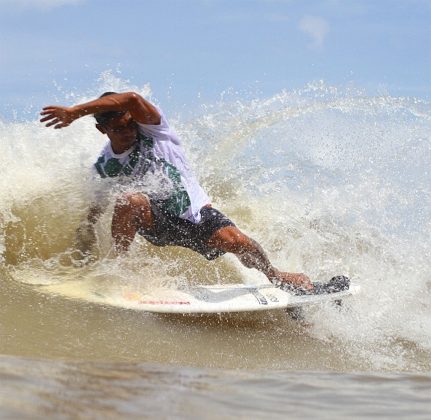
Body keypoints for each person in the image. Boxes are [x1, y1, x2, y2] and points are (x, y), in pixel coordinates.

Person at [40, 91, 312, 290]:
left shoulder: (156, 131)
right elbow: (92, 215)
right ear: (102, 130)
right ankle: (118, 272)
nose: (128, 131)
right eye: (118, 129)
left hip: (195, 215)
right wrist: (80, 254)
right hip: (157, 223)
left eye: (130, 123)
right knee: (129, 201)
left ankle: (275, 275)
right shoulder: (107, 166)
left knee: (237, 242)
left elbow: (131, 98)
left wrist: (75, 111)